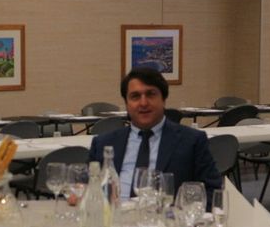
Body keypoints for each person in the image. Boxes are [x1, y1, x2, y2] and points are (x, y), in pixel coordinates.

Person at [88, 67, 221, 199]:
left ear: (163, 99)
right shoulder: (102, 144)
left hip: (168, 212)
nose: (143, 103)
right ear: (126, 103)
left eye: (151, 94)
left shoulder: (192, 142)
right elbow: (85, 192)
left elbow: (212, 193)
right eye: (135, 96)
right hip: (113, 212)